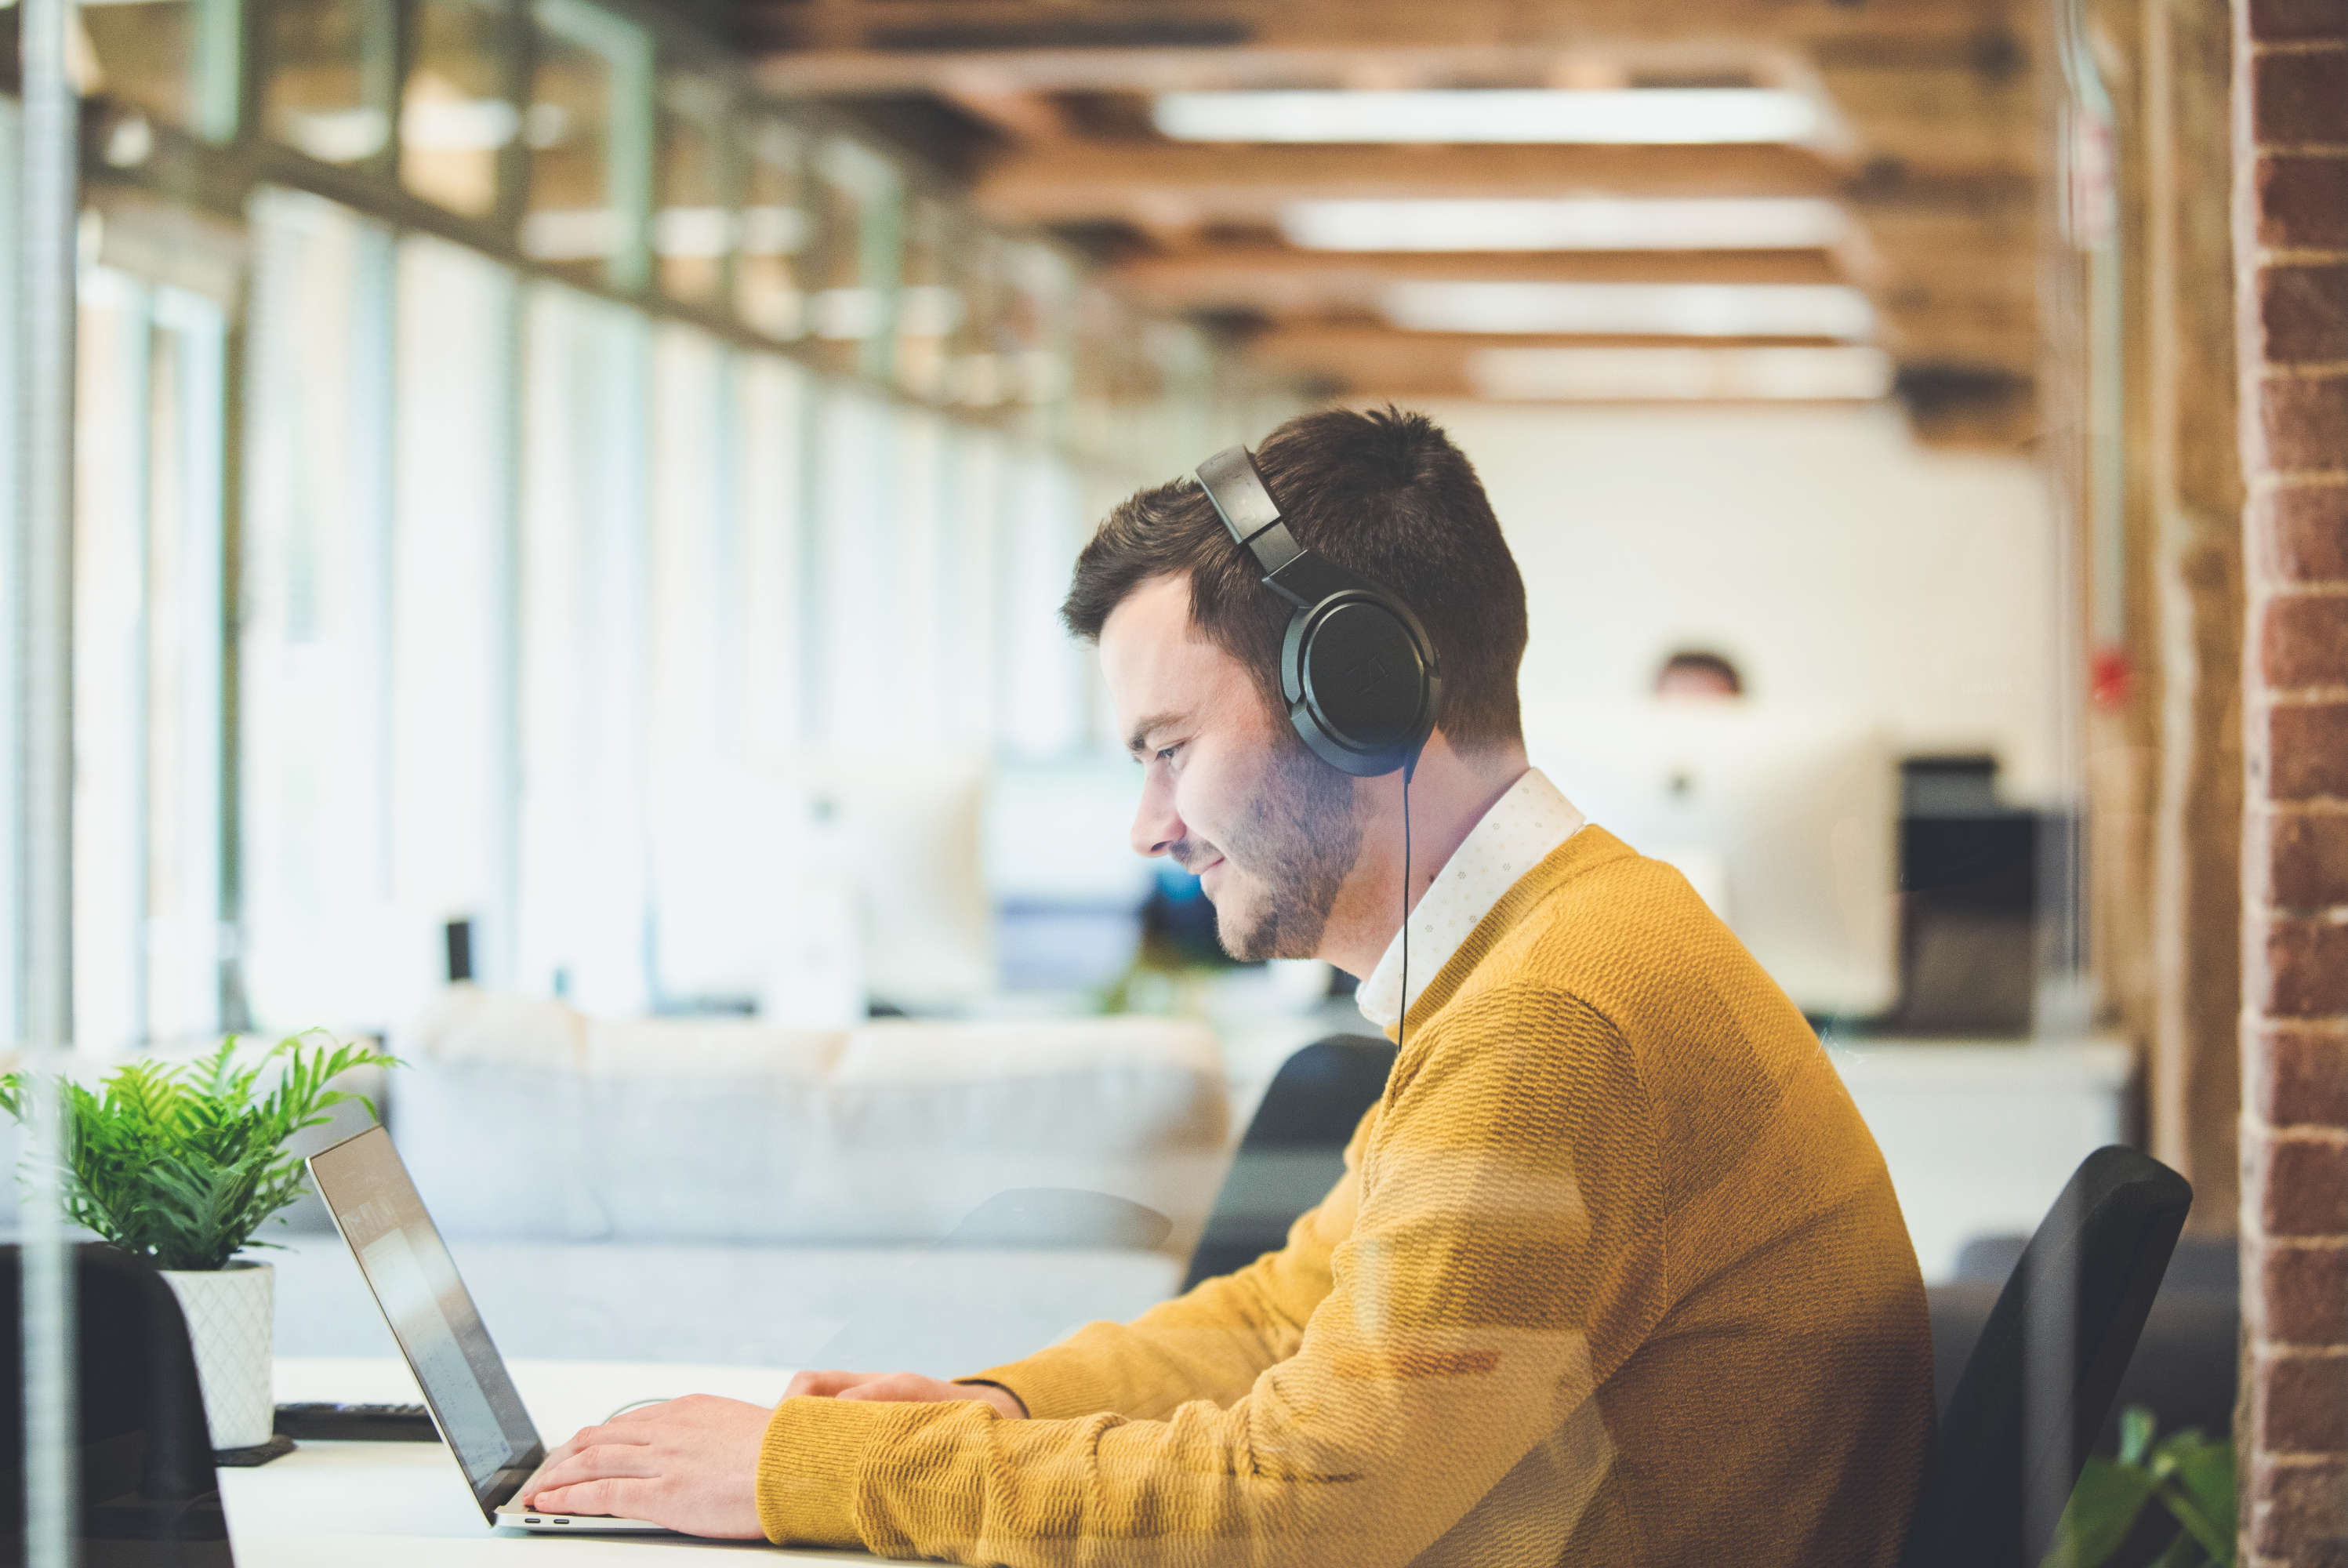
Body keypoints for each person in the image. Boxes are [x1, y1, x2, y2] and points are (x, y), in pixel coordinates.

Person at [520, 408, 1935, 1566]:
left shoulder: (1554, 1022)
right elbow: (1285, 1315)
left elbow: (1308, 1503)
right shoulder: (1546, 953)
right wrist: (997, 1402)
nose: (1148, 826)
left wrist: (818, 1471)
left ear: (1359, 694)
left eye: (1168, 747)